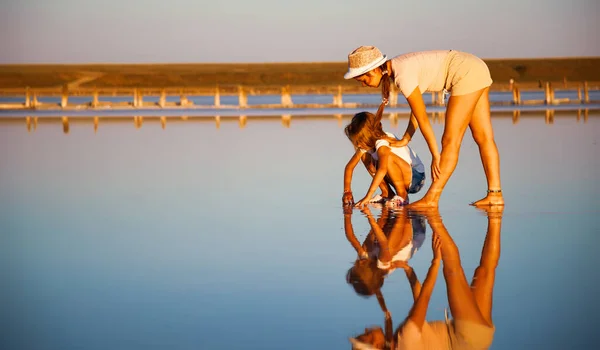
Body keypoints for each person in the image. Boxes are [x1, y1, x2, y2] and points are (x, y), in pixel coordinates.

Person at [344, 46, 504, 207]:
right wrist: (406, 138)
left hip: (464, 72)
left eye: (363, 80)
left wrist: (435, 155)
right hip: (475, 66)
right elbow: (417, 110)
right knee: (483, 136)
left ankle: (432, 199)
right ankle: (495, 194)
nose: (364, 85)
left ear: (373, 71)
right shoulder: (399, 66)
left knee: (450, 140)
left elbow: (423, 119)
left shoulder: (402, 75)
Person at [349, 207, 502, 349]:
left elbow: (419, 299)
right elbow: (425, 297)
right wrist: (435, 261)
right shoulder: (405, 340)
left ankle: (496, 214)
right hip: (468, 336)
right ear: (376, 345)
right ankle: (433, 212)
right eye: (365, 334)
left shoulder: (400, 342)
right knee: (452, 270)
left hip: (479, 341)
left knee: (485, 272)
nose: (366, 329)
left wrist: (408, 269)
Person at [343, 108, 426, 207]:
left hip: (416, 178)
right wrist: (347, 191)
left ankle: (402, 195)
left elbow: (382, 169)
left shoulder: (382, 142)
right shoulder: (366, 145)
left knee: (388, 158)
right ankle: (388, 193)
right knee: (364, 156)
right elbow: (349, 167)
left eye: (359, 142)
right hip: (402, 177)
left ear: (368, 136)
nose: (359, 146)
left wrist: (368, 195)